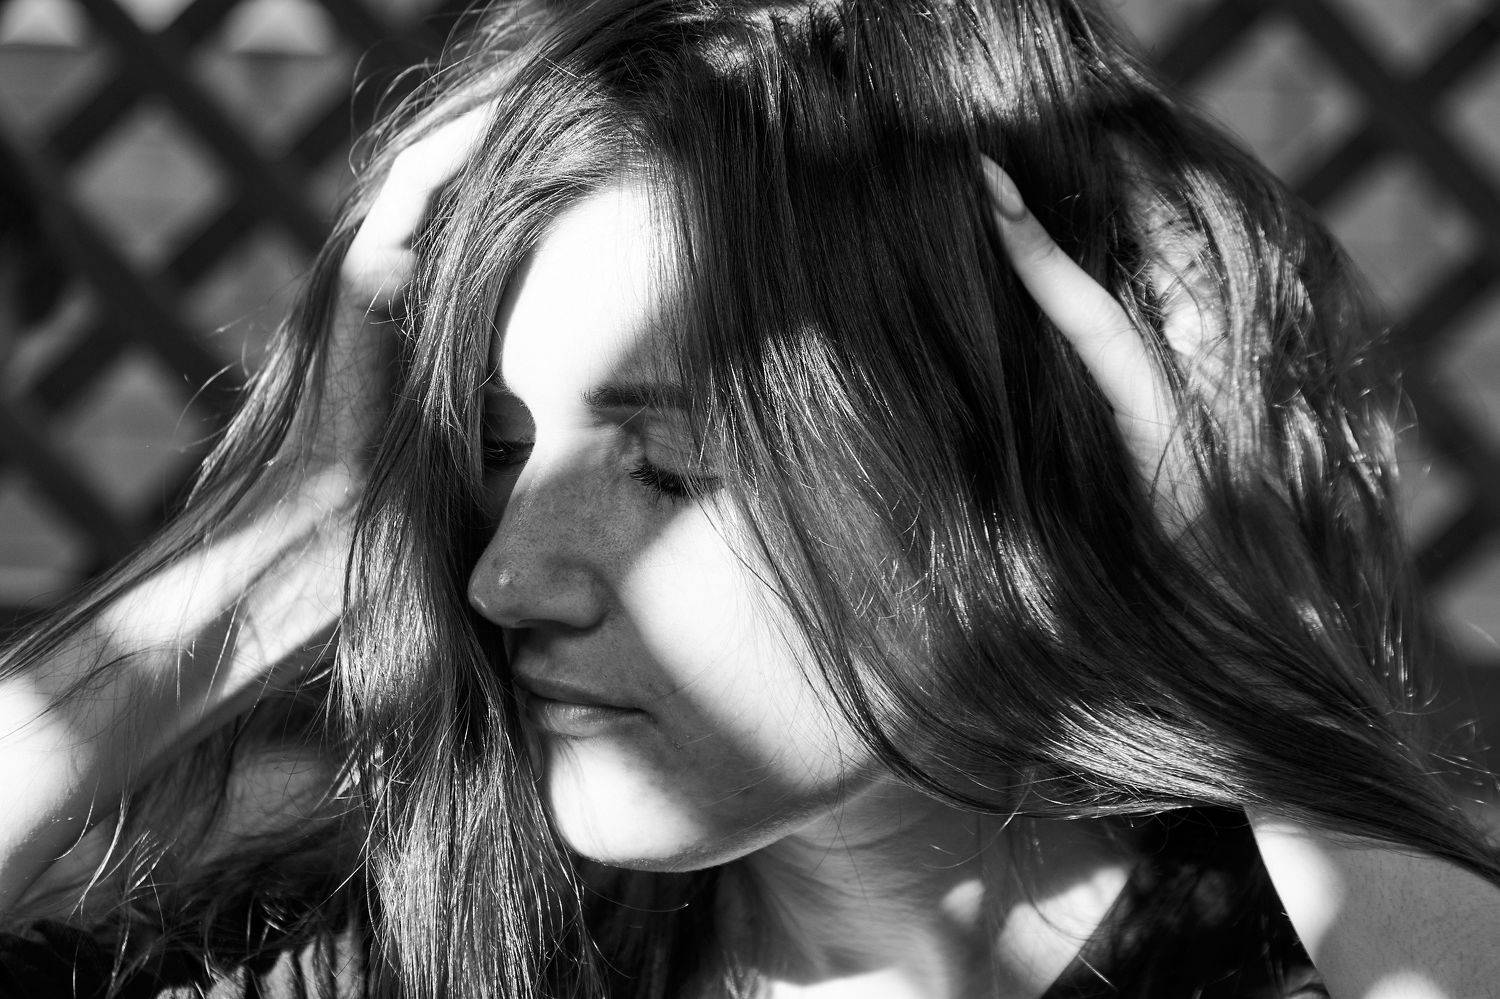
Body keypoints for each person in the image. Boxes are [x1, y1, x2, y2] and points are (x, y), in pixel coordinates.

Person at [0, 0, 1498, 996]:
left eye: (670, 466)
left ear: (1016, 485)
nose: (508, 575)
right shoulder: (419, 951)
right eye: (504, 449)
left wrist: (1238, 665)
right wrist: (286, 545)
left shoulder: (1297, 954)